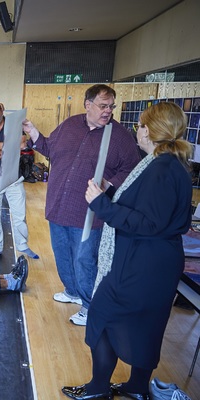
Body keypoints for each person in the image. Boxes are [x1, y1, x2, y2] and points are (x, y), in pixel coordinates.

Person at [62, 102, 192, 400]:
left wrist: (101, 204)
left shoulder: (161, 168)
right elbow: (148, 210)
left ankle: (97, 390)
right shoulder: (169, 164)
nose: (139, 130)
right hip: (156, 262)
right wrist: (110, 192)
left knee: (101, 315)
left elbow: (147, 224)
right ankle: (136, 389)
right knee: (148, 327)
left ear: (152, 131)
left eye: (142, 125)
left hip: (140, 264)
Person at [23, 84, 140, 326]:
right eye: (103, 106)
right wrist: (33, 132)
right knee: (62, 253)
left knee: (85, 259)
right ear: (88, 105)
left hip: (88, 213)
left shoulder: (119, 136)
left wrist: (109, 183)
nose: (108, 111)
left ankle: (90, 305)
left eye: (111, 106)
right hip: (59, 204)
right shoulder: (70, 125)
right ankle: (72, 291)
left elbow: (132, 168)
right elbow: (48, 148)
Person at [0, 100, 38, 260]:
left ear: (2, 109)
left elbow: (22, 143)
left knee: (19, 216)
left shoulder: (14, 125)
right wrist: (9, 147)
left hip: (13, 179)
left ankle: (23, 245)